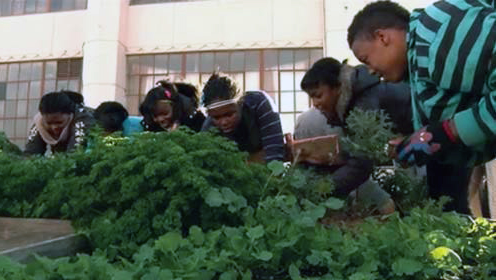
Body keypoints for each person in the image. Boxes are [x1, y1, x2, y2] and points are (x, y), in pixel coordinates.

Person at [347, 0, 496, 213]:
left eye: (366, 59)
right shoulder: (419, 63)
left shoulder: (436, 40)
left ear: (382, 37)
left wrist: (450, 131)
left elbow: (450, 129)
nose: (370, 71)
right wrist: (422, 140)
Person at [296, 57, 412, 198]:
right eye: (311, 98)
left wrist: (321, 191)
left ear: (337, 87)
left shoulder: (363, 104)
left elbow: (360, 164)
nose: (315, 104)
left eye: (318, 95)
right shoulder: (352, 103)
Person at [201, 73, 284, 163]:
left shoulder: (258, 104)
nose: (224, 122)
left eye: (229, 115)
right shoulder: (208, 128)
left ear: (241, 103)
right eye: (216, 118)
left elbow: (274, 155)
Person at [25, 91, 95, 156]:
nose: (54, 127)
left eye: (59, 122)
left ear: (70, 116)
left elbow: (75, 154)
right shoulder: (40, 122)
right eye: (49, 123)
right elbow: (30, 153)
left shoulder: (83, 119)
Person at [139, 81, 205, 132]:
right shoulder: (151, 126)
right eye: (155, 116)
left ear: (175, 108)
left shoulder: (196, 122)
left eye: (165, 113)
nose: (160, 119)